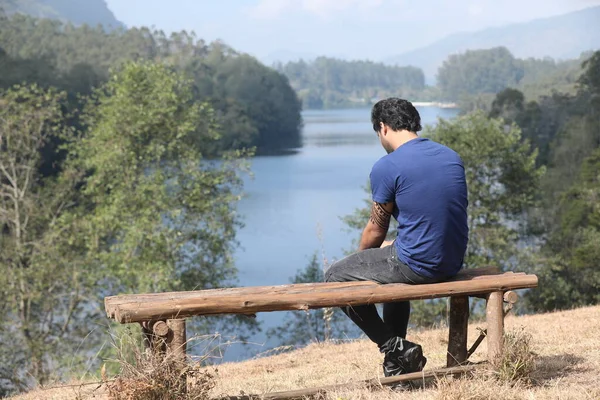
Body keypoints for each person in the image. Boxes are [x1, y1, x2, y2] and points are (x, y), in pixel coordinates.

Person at [324, 98, 469, 381]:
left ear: (383, 128)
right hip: (451, 261)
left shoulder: (388, 166)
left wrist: (358, 264)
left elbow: (376, 230)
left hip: (419, 265)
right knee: (391, 259)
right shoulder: (450, 156)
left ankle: (394, 347)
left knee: (335, 277)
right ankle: (399, 371)